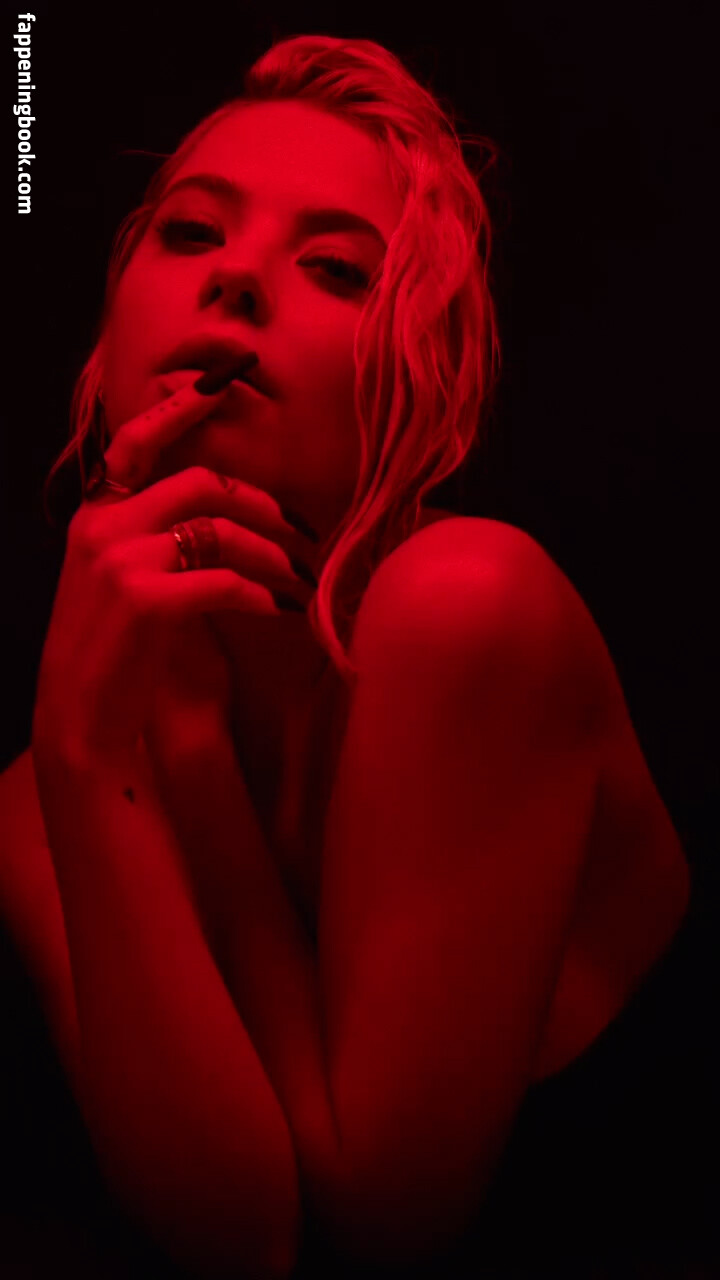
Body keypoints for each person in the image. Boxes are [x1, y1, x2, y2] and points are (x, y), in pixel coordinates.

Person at [0, 32, 696, 1280]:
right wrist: (95, 751)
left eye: (334, 266)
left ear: (421, 381)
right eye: (191, 232)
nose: (235, 277)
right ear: (104, 347)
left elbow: (376, 1230)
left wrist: (191, 760)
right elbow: (245, 1242)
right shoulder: (42, 787)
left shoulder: (466, 607)